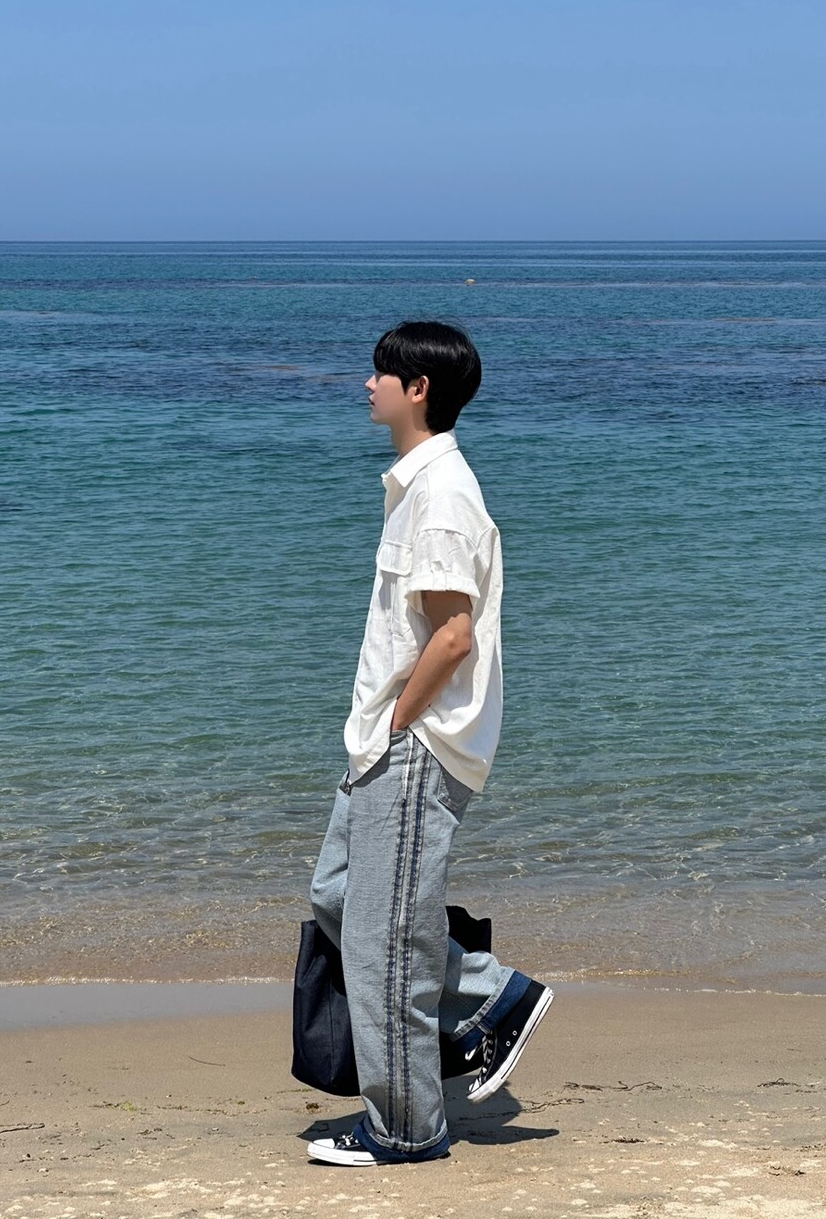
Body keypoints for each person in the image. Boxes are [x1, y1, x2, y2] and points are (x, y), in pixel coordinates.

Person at [307, 320, 553, 1167]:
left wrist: (398, 725)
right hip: (384, 743)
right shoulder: (419, 486)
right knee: (337, 895)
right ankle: (491, 997)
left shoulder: (442, 494)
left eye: (382, 372)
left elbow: (453, 635)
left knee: (386, 941)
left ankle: (406, 1126)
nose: (367, 383)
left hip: (413, 745)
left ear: (418, 390)